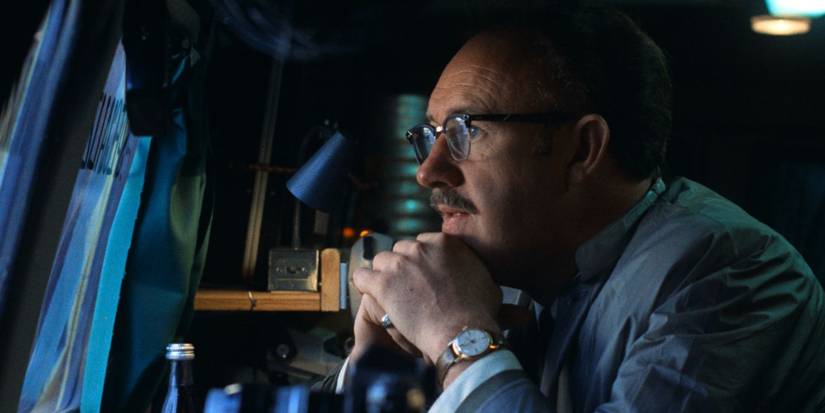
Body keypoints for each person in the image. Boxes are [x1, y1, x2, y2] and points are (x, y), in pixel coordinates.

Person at [325, 7, 825, 412]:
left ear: (582, 148)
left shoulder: (734, 269)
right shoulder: (523, 269)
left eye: (464, 131)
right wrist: (376, 364)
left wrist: (458, 337)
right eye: (431, 136)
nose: (428, 171)